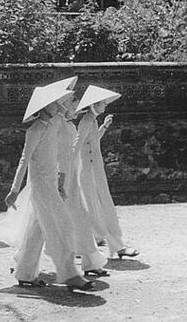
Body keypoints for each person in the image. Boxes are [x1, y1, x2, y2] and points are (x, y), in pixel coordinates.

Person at [4, 85, 94, 291]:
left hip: (51, 184)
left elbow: (60, 157)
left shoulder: (54, 127)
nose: (58, 106)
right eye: (55, 103)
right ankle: (69, 273)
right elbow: (24, 159)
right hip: (41, 185)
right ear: (44, 107)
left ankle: (25, 273)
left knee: (37, 232)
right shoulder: (34, 130)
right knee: (63, 225)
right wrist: (14, 189)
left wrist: (61, 182)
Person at [47, 78, 109, 278]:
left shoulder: (70, 125)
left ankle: (90, 262)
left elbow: (72, 152)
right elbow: (54, 154)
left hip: (69, 178)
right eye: (73, 104)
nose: (76, 108)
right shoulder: (54, 125)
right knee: (41, 222)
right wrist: (60, 176)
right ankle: (23, 260)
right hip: (57, 179)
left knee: (80, 218)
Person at [76, 85, 139, 259]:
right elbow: (77, 144)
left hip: (94, 169)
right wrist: (67, 167)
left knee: (100, 204)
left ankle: (111, 245)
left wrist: (104, 127)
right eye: (102, 102)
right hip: (87, 171)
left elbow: (92, 141)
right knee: (95, 205)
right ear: (94, 104)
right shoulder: (87, 121)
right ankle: (109, 246)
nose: (105, 105)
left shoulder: (92, 121)